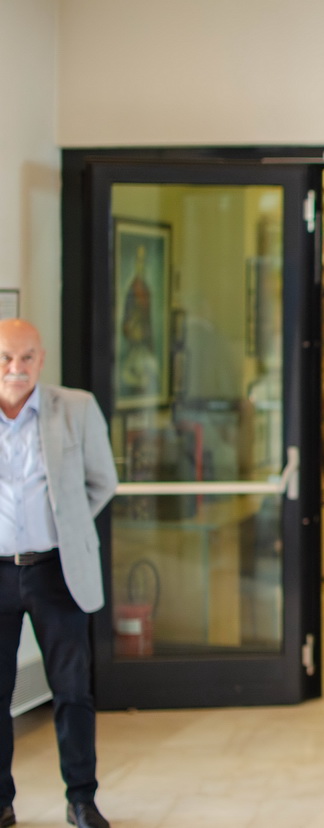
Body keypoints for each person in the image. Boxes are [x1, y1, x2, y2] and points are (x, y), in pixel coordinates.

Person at [0, 319, 117, 828]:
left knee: (72, 691)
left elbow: (102, 482)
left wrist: (66, 526)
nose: (16, 368)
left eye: (27, 357)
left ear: (41, 360)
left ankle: (81, 800)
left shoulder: (76, 408)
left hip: (57, 571)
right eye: (6, 357)